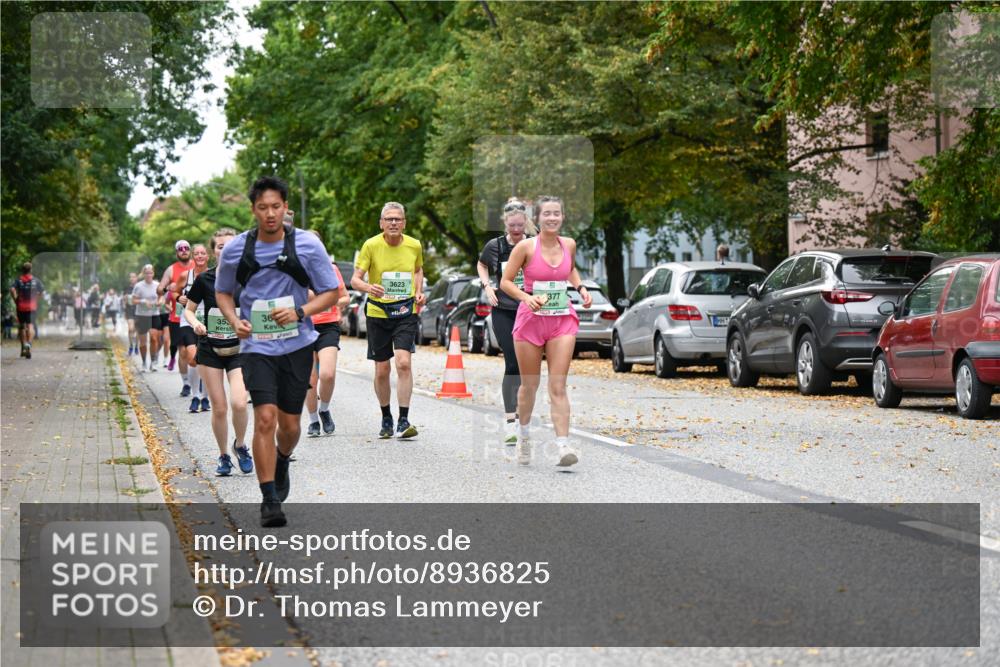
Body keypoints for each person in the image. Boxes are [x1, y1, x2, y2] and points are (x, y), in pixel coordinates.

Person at [215, 176, 339, 528]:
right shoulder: (238, 249)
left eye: (276, 207)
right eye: (262, 208)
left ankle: (282, 458)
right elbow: (224, 293)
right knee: (265, 418)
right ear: (253, 210)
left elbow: (329, 291)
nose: (270, 214)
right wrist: (233, 319)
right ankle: (269, 499)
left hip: (298, 344)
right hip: (256, 346)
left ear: (285, 208)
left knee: (290, 425)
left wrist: (300, 312)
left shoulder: (307, 246)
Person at [500, 195, 591, 467]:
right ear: (537, 219)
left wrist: (581, 288)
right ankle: (524, 435)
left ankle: (563, 446)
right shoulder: (526, 248)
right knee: (529, 386)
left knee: (558, 385)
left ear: (562, 217)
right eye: (547, 214)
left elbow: (570, 269)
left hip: (562, 319)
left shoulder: (570, 245)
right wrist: (526, 298)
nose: (552, 218)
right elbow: (505, 282)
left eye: (557, 214)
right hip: (531, 320)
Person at [350, 202, 425, 440]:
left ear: (404, 222)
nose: (394, 223)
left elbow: (418, 270)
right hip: (378, 313)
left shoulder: (414, 245)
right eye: (389, 219)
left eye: (398, 219)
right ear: (381, 223)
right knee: (382, 369)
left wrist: (419, 290)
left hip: (405, 311)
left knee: (403, 363)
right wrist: (369, 287)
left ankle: (404, 419)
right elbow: (355, 280)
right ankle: (386, 416)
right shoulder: (371, 245)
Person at [184, 228, 253, 477]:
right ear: (214, 251)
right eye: (220, 246)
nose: (225, 249)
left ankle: (241, 445)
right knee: (220, 407)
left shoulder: (247, 278)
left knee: (240, 403)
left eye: (230, 245)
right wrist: (195, 324)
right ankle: (224, 455)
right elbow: (189, 310)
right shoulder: (205, 280)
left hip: (239, 350)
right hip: (210, 349)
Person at [477, 198, 535, 445]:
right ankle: (511, 420)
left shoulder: (536, 243)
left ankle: (524, 417)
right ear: (505, 223)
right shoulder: (495, 246)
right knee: (512, 363)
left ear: (526, 223)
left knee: (528, 368)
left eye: (520, 225)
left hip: (530, 309)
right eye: (512, 225)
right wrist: (487, 285)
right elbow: (481, 265)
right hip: (504, 309)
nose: (516, 229)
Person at [304, 237, 350, 437]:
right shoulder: (295, 269)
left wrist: (335, 304)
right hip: (303, 326)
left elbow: (345, 296)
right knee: (310, 379)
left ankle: (324, 409)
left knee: (327, 374)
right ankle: (313, 420)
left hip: (328, 326)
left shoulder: (330, 268)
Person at [177, 243, 211, 413]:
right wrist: (178, 298)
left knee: (204, 360)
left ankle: (205, 397)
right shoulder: (186, 275)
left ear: (208, 257)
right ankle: (195, 396)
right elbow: (175, 292)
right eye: (196, 253)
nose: (199, 256)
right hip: (188, 320)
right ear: (193, 257)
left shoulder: (213, 275)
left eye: (202, 253)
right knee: (192, 357)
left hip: (207, 320)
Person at [158, 240, 194, 384]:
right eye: (180, 249)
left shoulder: (197, 265)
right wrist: (168, 288)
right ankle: (186, 383)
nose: (184, 250)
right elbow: (159, 290)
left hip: (198, 315)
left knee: (197, 353)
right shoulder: (171, 270)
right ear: (177, 252)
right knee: (184, 351)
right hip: (177, 317)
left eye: (186, 248)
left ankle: (198, 385)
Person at [132, 264, 163, 372]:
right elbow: (133, 301)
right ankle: (144, 362)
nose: (149, 275)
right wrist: (143, 301)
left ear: (153, 273)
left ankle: (153, 362)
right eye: (146, 273)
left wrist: (159, 302)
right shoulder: (139, 286)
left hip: (154, 315)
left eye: (150, 273)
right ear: (143, 274)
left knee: (154, 338)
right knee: (143, 343)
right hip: (141, 316)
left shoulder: (157, 285)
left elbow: (161, 297)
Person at [9, 262, 44, 358]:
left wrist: (15, 299)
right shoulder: (36, 280)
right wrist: (35, 300)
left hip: (20, 306)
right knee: (30, 326)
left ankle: (23, 347)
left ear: (22, 270)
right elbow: (41, 292)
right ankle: (28, 344)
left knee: (22, 327)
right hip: (31, 307)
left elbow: (12, 290)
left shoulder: (18, 280)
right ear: (30, 270)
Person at [125, 272, 138, 354]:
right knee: (131, 329)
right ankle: (130, 346)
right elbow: (125, 301)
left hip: (138, 311)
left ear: (136, 278)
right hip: (129, 310)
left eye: (133, 277)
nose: (132, 278)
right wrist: (125, 299)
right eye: (130, 277)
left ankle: (136, 346)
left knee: (137, 331)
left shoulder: (140, 287)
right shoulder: (127, 289)